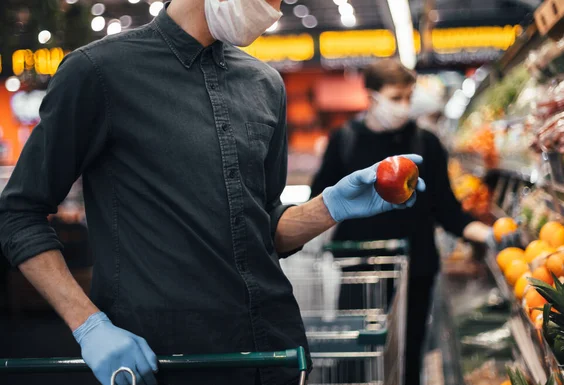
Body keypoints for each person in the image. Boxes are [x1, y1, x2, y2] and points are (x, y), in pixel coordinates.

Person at [0, 2, 426, 385]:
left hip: (275, 354)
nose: (273, 9)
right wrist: (88, 324)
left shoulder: (265, 84)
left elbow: (262, 228)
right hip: (167, 363)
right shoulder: (98, 73)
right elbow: (19, 212)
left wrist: (331, 206)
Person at [310, 59, 517, 385]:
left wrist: (490, 235)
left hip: (416, 269)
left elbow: (448, 211)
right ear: (372, 97)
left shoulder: (427, 144)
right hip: (360, 271)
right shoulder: (345, 141)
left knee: (407, 357)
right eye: (395, 98)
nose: (404, 106)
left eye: (408, 97)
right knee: (358, 360)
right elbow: (320, 201)